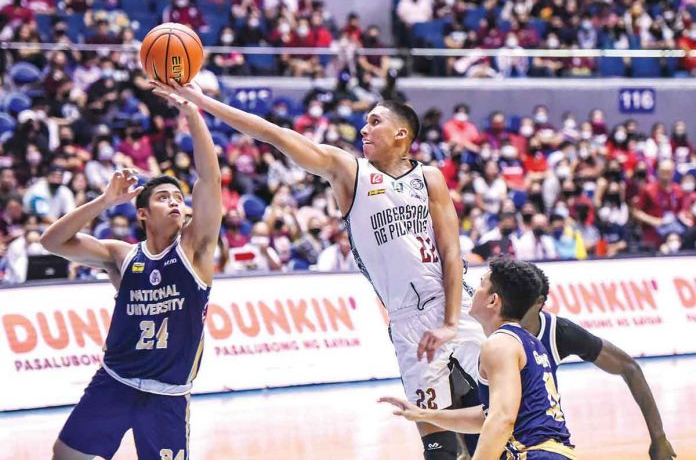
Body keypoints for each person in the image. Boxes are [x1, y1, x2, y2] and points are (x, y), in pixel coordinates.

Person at [155, 79, 486, 460]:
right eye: (364, 121)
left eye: (374, 121)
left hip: (454, 303)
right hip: (406, 318)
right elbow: (272, 133)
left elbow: (450, 250)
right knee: (437, 439)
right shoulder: (348, 171)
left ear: (401, 133)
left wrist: (448, 321)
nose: (364, 128)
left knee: (502, 405)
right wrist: (199, 102)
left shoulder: (429, 177)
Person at [41, 84, 222, 460]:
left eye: (178, 198)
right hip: (115, 381)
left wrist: (192, 114)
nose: (174, 201)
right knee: (65, 455)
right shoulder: (122, 256)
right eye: (162, 197)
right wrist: (105, 201)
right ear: (142, 214)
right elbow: (52, 242)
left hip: (166, 395)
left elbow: (209, 180)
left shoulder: (196, 250)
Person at [380, 257, 576, 459]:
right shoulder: (529, 342)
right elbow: (489, 415)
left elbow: (501, 419)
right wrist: (425, 415)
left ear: (493, 300)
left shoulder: (499, 344)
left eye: (481, 284)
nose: (473, 290)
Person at [520, 264, 676, 460]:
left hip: (539, 444)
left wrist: (659, 437)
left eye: (519, 298)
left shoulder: (559, 332)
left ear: (539, 302)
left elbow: (630, 368)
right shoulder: (486, 327)